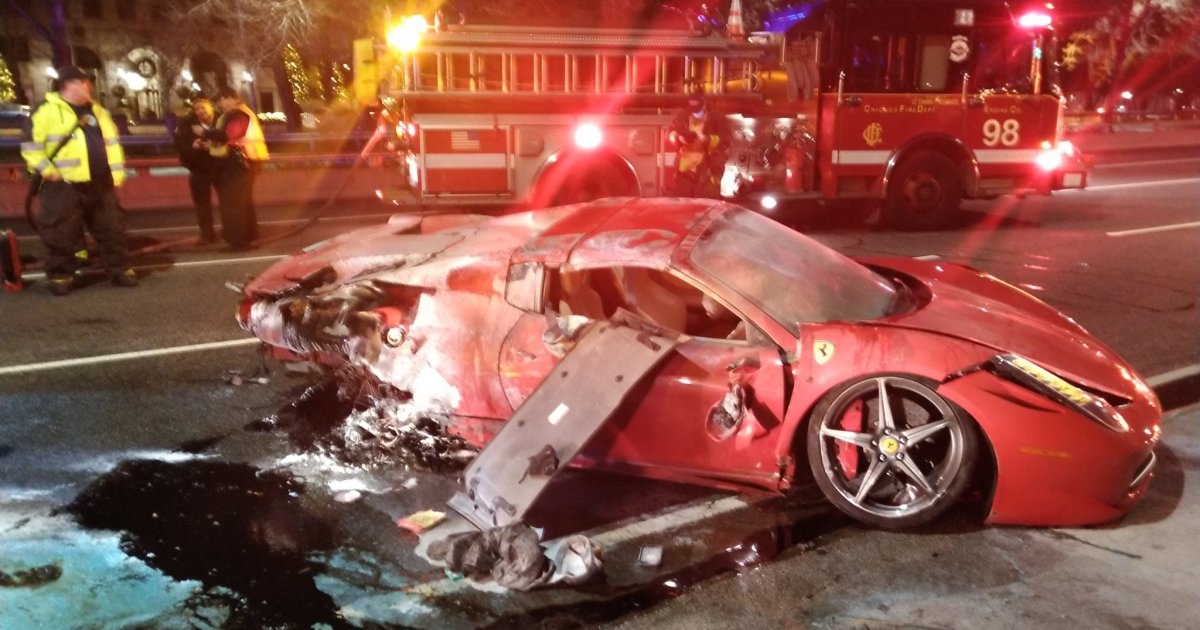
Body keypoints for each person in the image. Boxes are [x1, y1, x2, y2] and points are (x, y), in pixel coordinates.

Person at [20, 65, 137, 295]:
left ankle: (120, 269)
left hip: (100, 182)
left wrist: (116, 174)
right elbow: (30, 147)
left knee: (112, 228)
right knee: (60, 231)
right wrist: (49, 172)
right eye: (84, 82)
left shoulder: (98, 111)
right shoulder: (45, 110)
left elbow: (112, 144)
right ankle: (61, 275)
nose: (89, 86)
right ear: (69, 85)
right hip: (64, 184)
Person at [204, 87, 268, 250]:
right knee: (243, 201)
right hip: (245, 161)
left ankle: (238, 240)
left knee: (233, 202)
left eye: (222, 100)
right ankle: (248, 235)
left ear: (231, 98)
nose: (220, 104)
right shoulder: (237, 113)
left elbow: (228, 135)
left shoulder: (240, 114)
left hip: (239, 163)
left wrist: (205, 133)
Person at [173, 98, 218, 243]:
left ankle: (232, 231)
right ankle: (207, 234)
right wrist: (193, 147)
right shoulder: (186, 124)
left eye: (203, 107)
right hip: (199, 167)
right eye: (197, 109)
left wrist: (210, 140)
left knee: (228, 201)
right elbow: (180, 145)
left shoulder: (221, 119)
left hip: (220, 166)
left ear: (211, 107)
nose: (200, 111)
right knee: (202, 203)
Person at [667, 95, 728, 197]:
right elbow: (670, 133)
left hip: (708, 171)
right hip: (685, 171)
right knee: (683, 202)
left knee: (706, 202)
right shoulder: (683, 116)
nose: (694, 113)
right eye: (692, 109)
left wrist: (708, 139)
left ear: (704, 105)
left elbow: (726, 140)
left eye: (697, 109)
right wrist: (677, 137)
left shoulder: (717, 118)